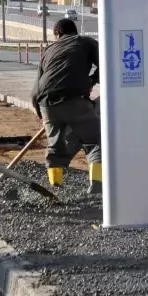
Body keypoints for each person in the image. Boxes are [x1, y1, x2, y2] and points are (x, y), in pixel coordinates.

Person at [30, 18, 102, 193]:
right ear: (74, 31)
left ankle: (55, 186)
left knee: (55, 146)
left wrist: (41, 112)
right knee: (94, 141)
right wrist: (92, 80)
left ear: (57, 34)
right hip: (75, 98)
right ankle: (97, 186)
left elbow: (36, 87)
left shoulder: (49, 50)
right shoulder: (85, 42)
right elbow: (107, 63)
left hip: (45, 101)